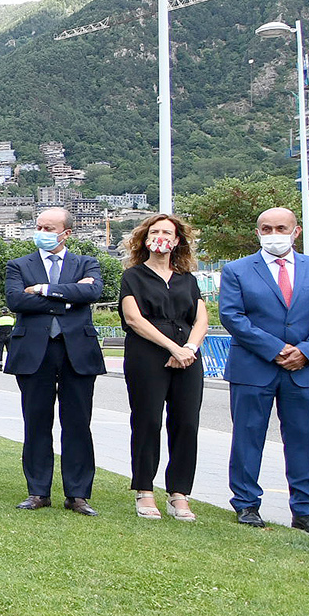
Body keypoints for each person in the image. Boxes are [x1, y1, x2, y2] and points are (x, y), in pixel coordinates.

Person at [217, 207, 309, 534]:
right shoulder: (237, 270)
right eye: (267, 229)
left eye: (281, 228)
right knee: (248, 436)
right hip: (253, 367)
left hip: (304, 369)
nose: (274, 234)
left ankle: (306, 510)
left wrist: (307, 351)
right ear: (258, 233)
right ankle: (246, 504)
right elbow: (232, 316)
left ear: (295, 231)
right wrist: (275, 349)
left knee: (305, 439)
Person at [4, 207, 106, 515]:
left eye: (49, 228)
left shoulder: (87, 262)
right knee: (36, 422)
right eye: (39, 226)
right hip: (35, 352)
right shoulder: (18, 265)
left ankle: (77, 494)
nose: (42, 232)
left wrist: (46, 290)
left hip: (76, 351)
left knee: (77, 424)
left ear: (67, 233)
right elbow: (17, 300)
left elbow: (94, 292)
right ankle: (38, 491)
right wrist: (71, 297)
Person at [118, 214, 208, 521]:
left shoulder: (188, 279)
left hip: (188, 357)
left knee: (186, 423)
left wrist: (188, 349)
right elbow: (134, 319)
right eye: (154, 231)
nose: (161, 237)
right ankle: (145, 490)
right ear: (145, 239)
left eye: (167, 232)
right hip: (147, 355)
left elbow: (200, 319)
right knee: (147, 421)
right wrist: (171, 347)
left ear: (177, 240)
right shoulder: (133, 276)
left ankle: (179, 493)